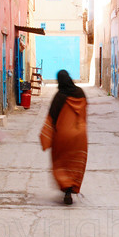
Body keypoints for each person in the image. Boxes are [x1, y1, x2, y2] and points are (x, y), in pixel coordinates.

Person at [40, 70, 87, 204]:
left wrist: (46, 135)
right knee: (75, 162)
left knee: (61, 162)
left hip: (63, 136)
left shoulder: (59, 96)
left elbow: (51, 119)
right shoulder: (81, 93)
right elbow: (83, 114)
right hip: (79, 135)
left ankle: (66, 187)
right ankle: (72, 186)